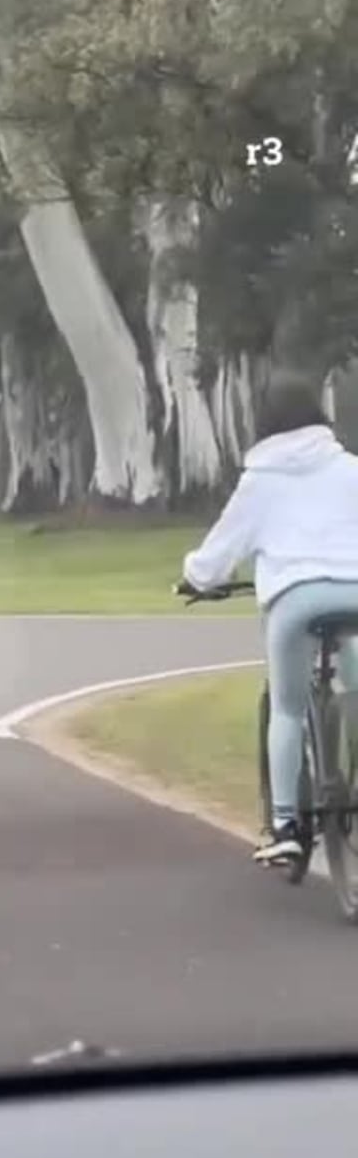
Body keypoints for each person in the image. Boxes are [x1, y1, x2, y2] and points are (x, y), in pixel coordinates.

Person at [181, 369, 358, 866]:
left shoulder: (259, 481)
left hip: (295, 600)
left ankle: (286, 825)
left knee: (288, 705)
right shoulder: (351, 470)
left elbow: (217, 557)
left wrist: (195, 579)